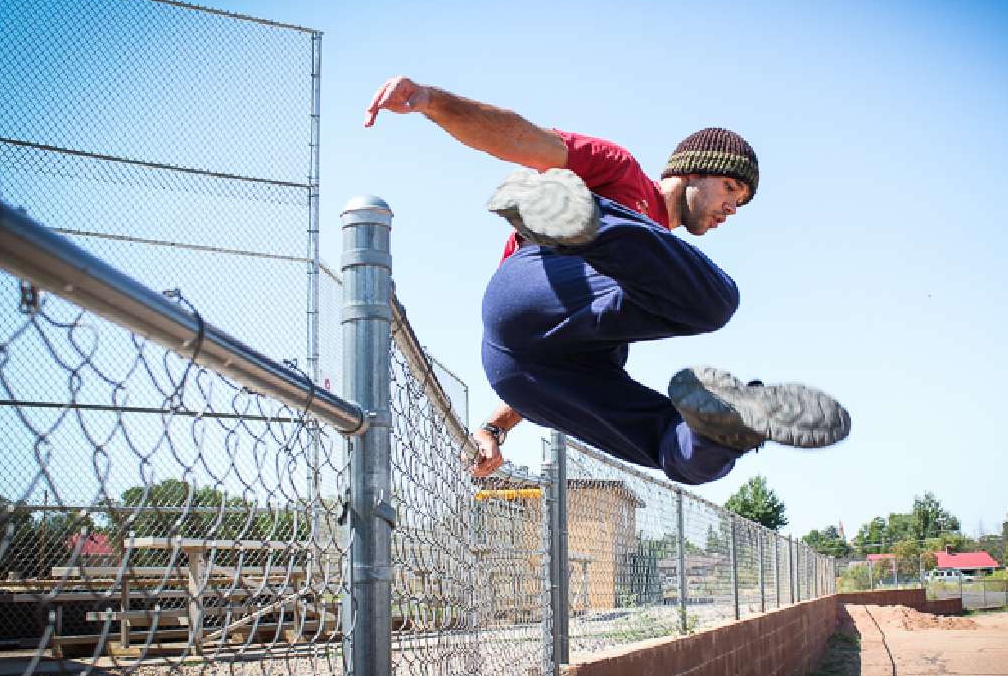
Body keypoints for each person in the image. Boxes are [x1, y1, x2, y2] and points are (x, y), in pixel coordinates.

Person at [364, 76, 849, 485]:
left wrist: (497, 425)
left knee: (674, 451)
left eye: (739, 203)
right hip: (532, 285)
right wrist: (432, 101)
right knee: (717, 300)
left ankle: (725, 426)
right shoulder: (621, 171)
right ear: (691, 173)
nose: (731, 209)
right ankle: (582, 220)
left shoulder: (663, 270)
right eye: (730, 189)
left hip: (529, 372)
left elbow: (566, 343)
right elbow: (522, 139)